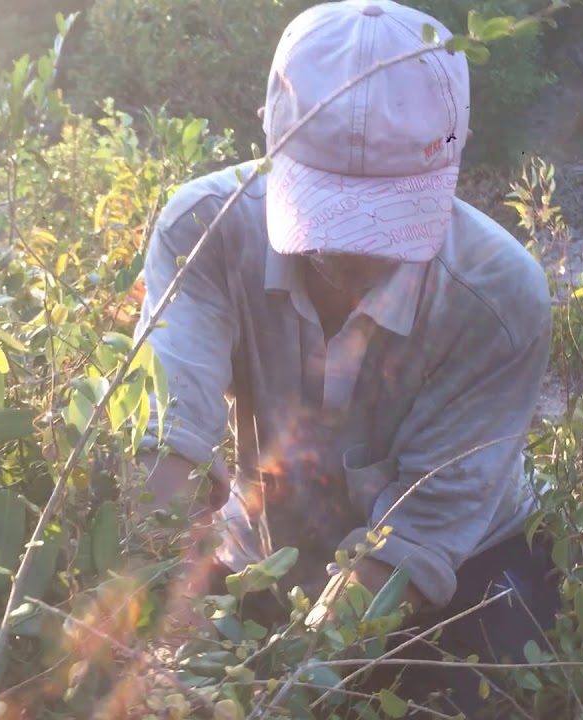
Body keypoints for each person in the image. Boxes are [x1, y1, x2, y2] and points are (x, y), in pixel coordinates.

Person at [132, 0, 558, 715]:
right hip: (260, 551)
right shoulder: (201, 231)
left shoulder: (499, 297)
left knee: (488, 698)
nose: (350, 249)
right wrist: (158, 624)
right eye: (329, 206)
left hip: (462, 560)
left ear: (456, 158)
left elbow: (419, 537)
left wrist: (287, 686)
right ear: (271, 145)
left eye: (383, 215)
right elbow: (172, 450)